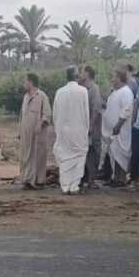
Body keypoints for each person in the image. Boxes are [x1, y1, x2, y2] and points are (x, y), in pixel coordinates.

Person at [53, 66, 90, 195]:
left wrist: (58, 130)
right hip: (79, 130)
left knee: (64, 157)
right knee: (79, 156)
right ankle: (74, 186)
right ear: (76, 76)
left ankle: (65, 186)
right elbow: (86, 113)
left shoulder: (59, 92)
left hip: (63, 131)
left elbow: (55, 114)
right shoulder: (83, 91)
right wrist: (86, 129)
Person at [19, 73, 52, 190]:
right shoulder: (25, 97)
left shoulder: (42, 96)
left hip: (38, 135)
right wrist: (20, 131)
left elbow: (47, 114)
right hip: (26, 135)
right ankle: (27, 180)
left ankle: (39, 181)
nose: (24, 84)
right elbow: (22, 116)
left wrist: (40, 124)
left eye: (25, 81)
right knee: (25, 156)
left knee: (38, 157)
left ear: (31, 82)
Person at [102, 70, 134, 187]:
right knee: (114, 154)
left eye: (113, 77)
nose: (111, 80)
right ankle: (115, 178)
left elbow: (126, 111)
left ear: (119, 78)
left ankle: (121, 179)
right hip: (112, 131)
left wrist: (118, 125)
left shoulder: (126, 92)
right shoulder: (115, 92)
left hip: (120, 130)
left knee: (121, 154)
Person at [80, 66, 103, 189]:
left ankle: (91, 179)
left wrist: (91, 125)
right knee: (85, 152)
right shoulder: (83, 88)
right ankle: (84, 178)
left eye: (82, 72)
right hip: (84, 127)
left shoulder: (94, 89)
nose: (80, 74)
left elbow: (96, 109)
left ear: (88, 74)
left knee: (93, 153)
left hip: (92, 129)